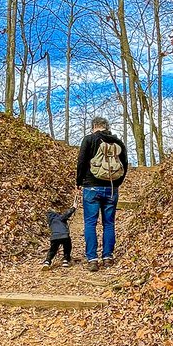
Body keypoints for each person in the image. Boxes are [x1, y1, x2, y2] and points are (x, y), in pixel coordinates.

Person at [76, 116, 128, 272]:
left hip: (91, 188)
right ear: (107, 126)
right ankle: (107, 257)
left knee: (90, 223)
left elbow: (81, 162)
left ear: (94, 127)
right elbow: (124, 164)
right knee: (109, 223)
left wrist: (79, 182)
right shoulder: (118, 142)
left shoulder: (89, 139)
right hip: (111, 188)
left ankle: (92, 259)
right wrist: (117, 184)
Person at [42, 198, 77, 270]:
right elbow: (66, 215)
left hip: (54, 237)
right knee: (67, 247)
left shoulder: (51, 221)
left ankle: (47, 261)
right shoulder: (59, 218)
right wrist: (73, 207)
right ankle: (66, 260)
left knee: (53, 250)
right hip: (64, 235)